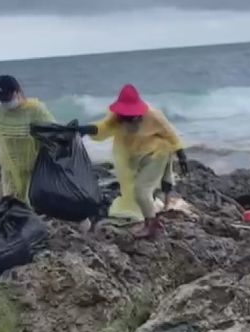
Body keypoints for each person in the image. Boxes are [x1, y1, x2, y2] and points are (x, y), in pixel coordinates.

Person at [77, 84, 188, 239]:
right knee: (142, 187)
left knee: (141, 191)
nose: (129, 121)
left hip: (157, 152)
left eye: (133, 118)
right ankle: (162, 205)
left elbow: (171, 135)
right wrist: (85, 129)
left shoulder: (154, 116)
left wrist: (182, 156)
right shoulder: (117, 117)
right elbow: (103, 129)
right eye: (126, 118)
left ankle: (152, 225)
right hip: (137, 155)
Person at [0, 76, 55, 202]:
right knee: (11, 202)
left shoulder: (36, 110)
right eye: (2, 100)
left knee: (31, 202)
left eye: (8, 98)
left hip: (33, 167)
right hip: (9, 168)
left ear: (17, 92)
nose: (5, 103)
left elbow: (53, 132)